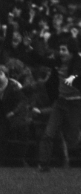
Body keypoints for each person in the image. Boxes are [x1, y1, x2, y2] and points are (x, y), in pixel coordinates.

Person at [25, 38, 81, 172]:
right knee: (48, 134)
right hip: (60, 103)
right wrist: (30, 49)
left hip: (75, 103)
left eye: (64, 50)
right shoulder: (58, 62)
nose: (61, 52)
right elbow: (43, 60)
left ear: (72, 52)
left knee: (72, 140)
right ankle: (43, 165)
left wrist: (72, 78)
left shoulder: (78, 62)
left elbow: (77, 71)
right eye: (60, 49)